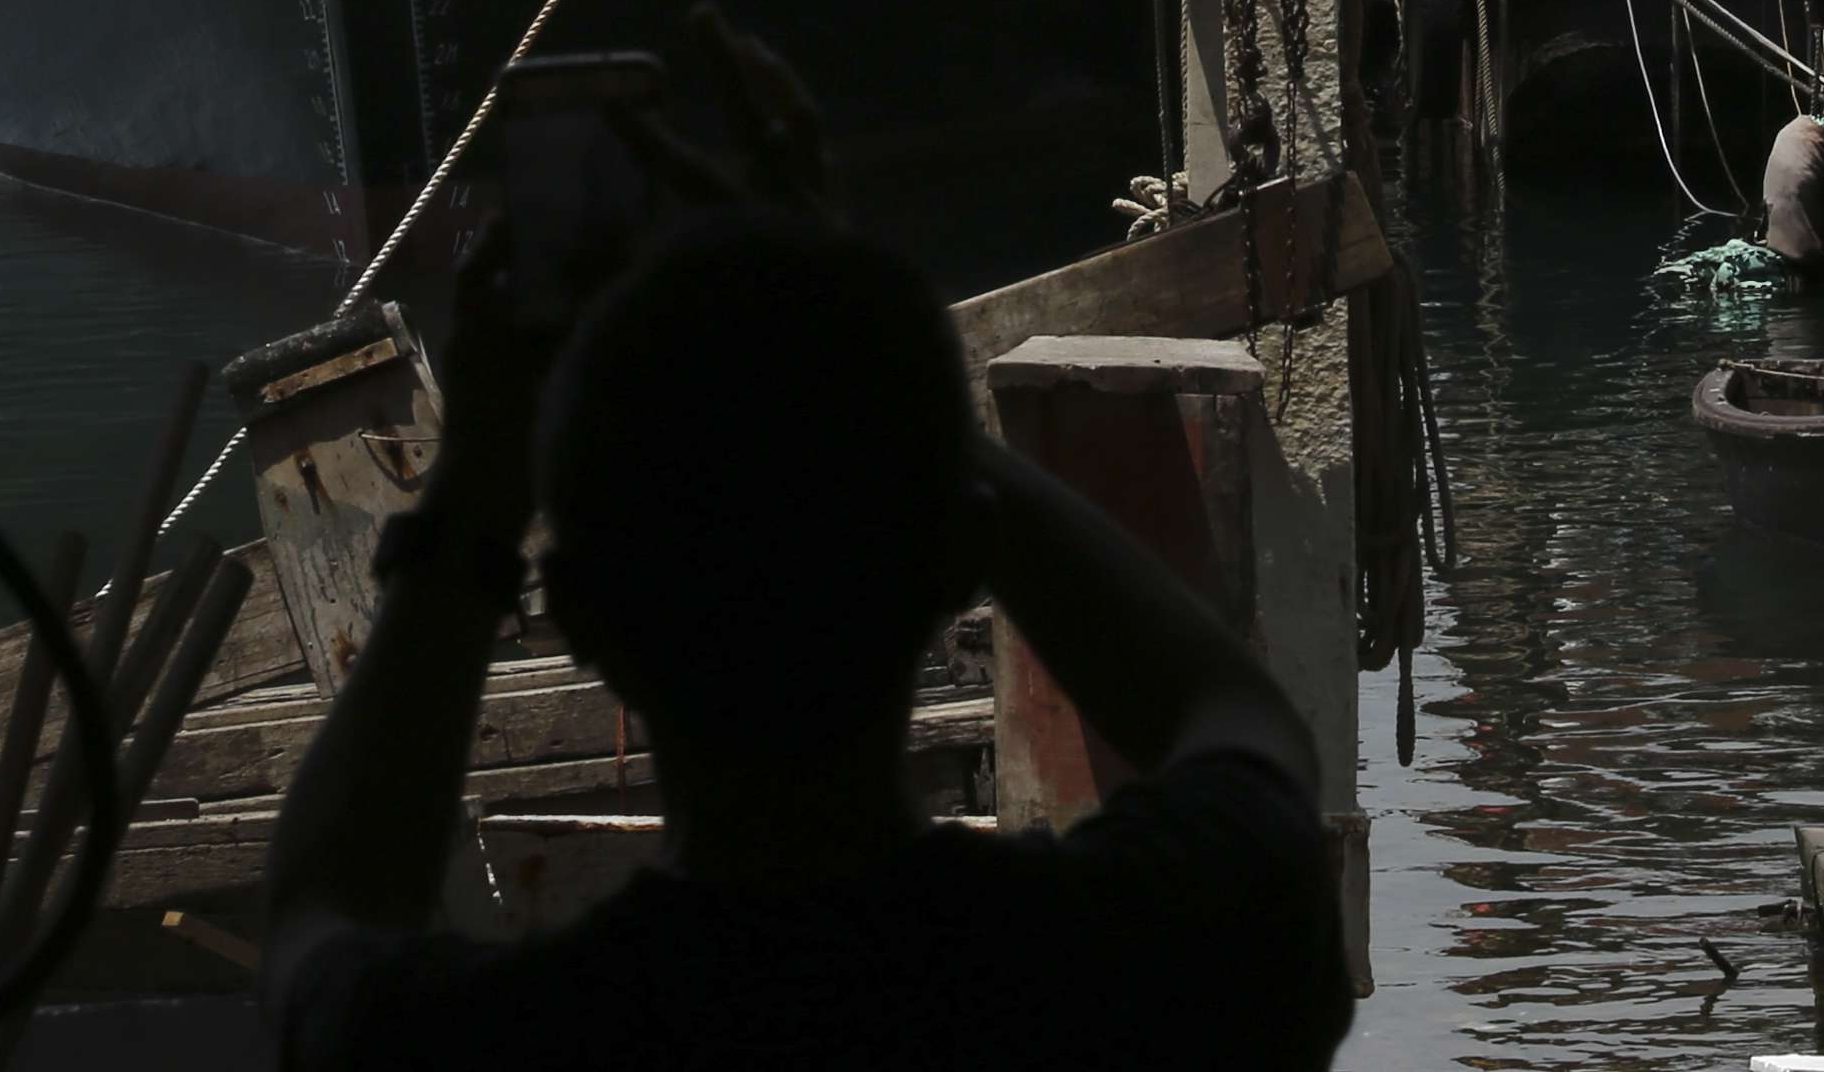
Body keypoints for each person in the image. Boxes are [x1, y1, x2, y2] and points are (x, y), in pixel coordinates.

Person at [262, 209, 1352, 1069]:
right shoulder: (1140, 970)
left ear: (580, 616)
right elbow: (1245, 729)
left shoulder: (509, 1040)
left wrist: (479, 479)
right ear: (950, 557)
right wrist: (925, 421)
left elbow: (322, 920)